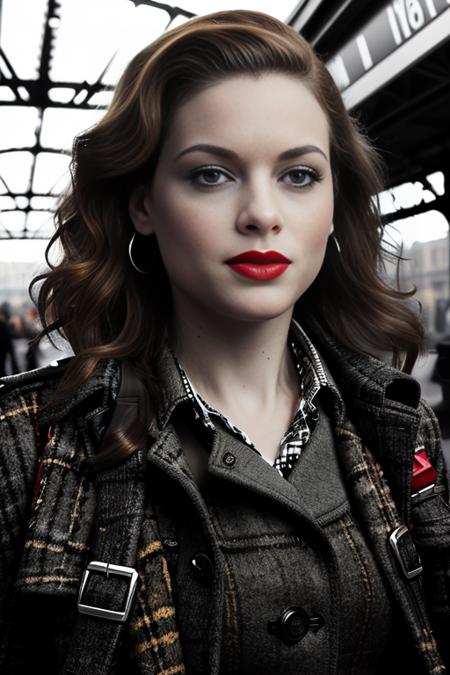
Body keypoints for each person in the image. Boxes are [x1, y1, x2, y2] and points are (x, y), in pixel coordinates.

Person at [0, 9, 449, 675]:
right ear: (143, 204)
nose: (263, 214)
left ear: (332, 206)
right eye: (211, 173)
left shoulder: (402, 429)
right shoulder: (25, 446)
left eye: (299, 175)